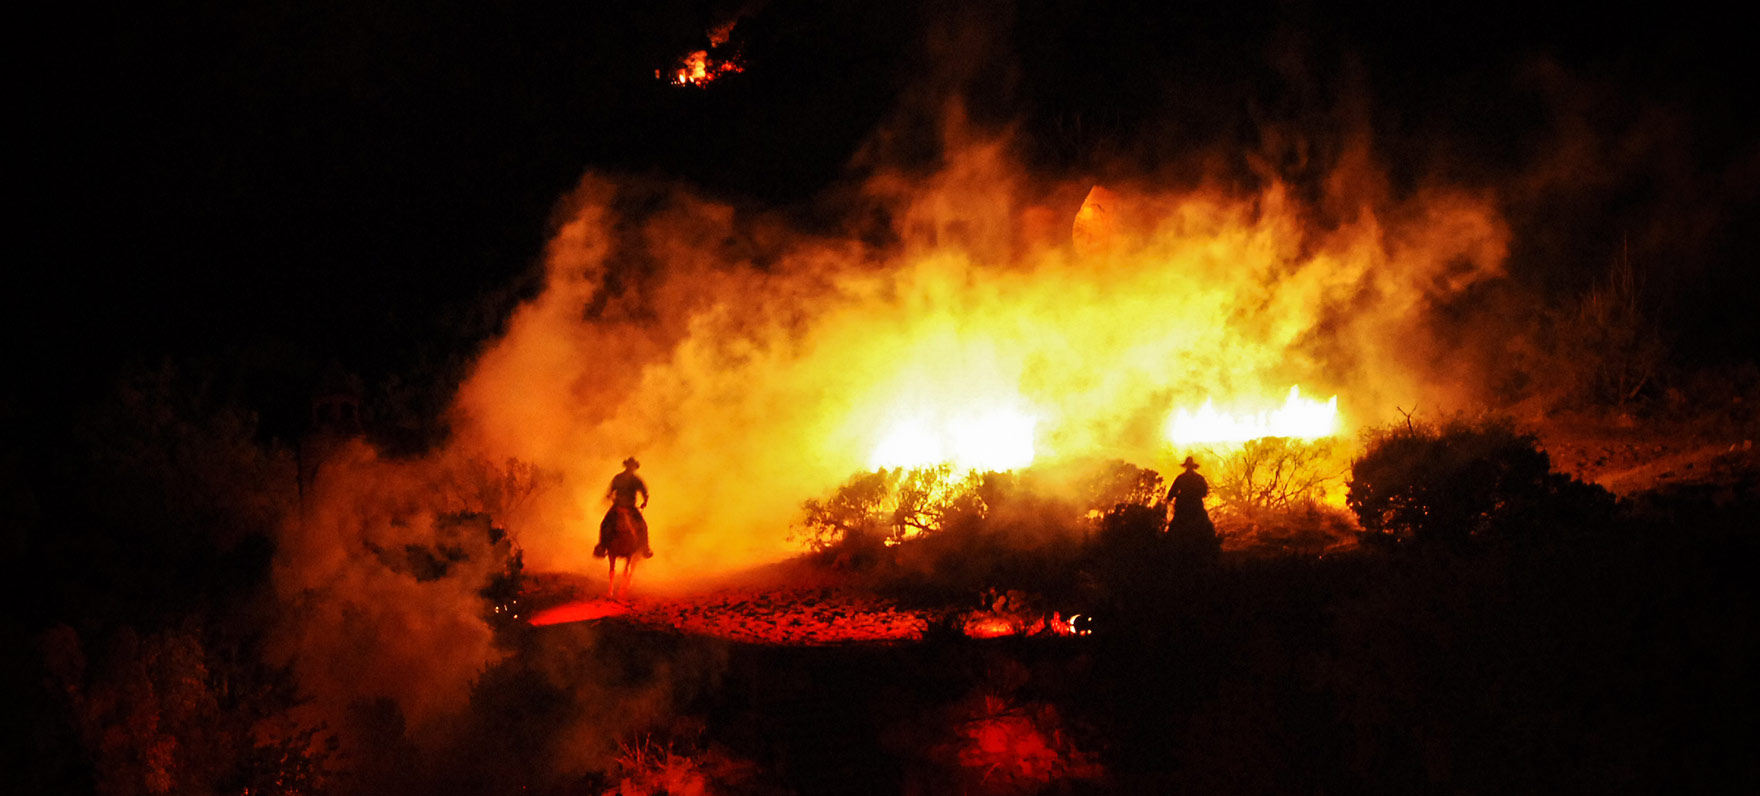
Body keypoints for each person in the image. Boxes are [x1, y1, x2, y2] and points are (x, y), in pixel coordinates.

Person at [596, 457, 653, 560]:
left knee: (643, 526)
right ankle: (602, 547)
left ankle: (645, 548)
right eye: (629, 466)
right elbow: (611, 490)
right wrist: (609, 496)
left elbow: (645, 493)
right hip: (618, 505)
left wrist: (645, 501)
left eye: (632, 466)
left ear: (634, 467)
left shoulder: (636, 480)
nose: (631, 468)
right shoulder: (618, 478)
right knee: (604, 523)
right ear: (627, 466)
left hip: (630, 507)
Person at [1166, 455, 1214, 538]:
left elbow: (1171, 493)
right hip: (1194, 508)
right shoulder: (1199, 478)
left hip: (1184, 508)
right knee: (1206, 526)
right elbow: (1205, 493)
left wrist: (1175, 497)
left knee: (1175, 528)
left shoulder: (1181, 478)